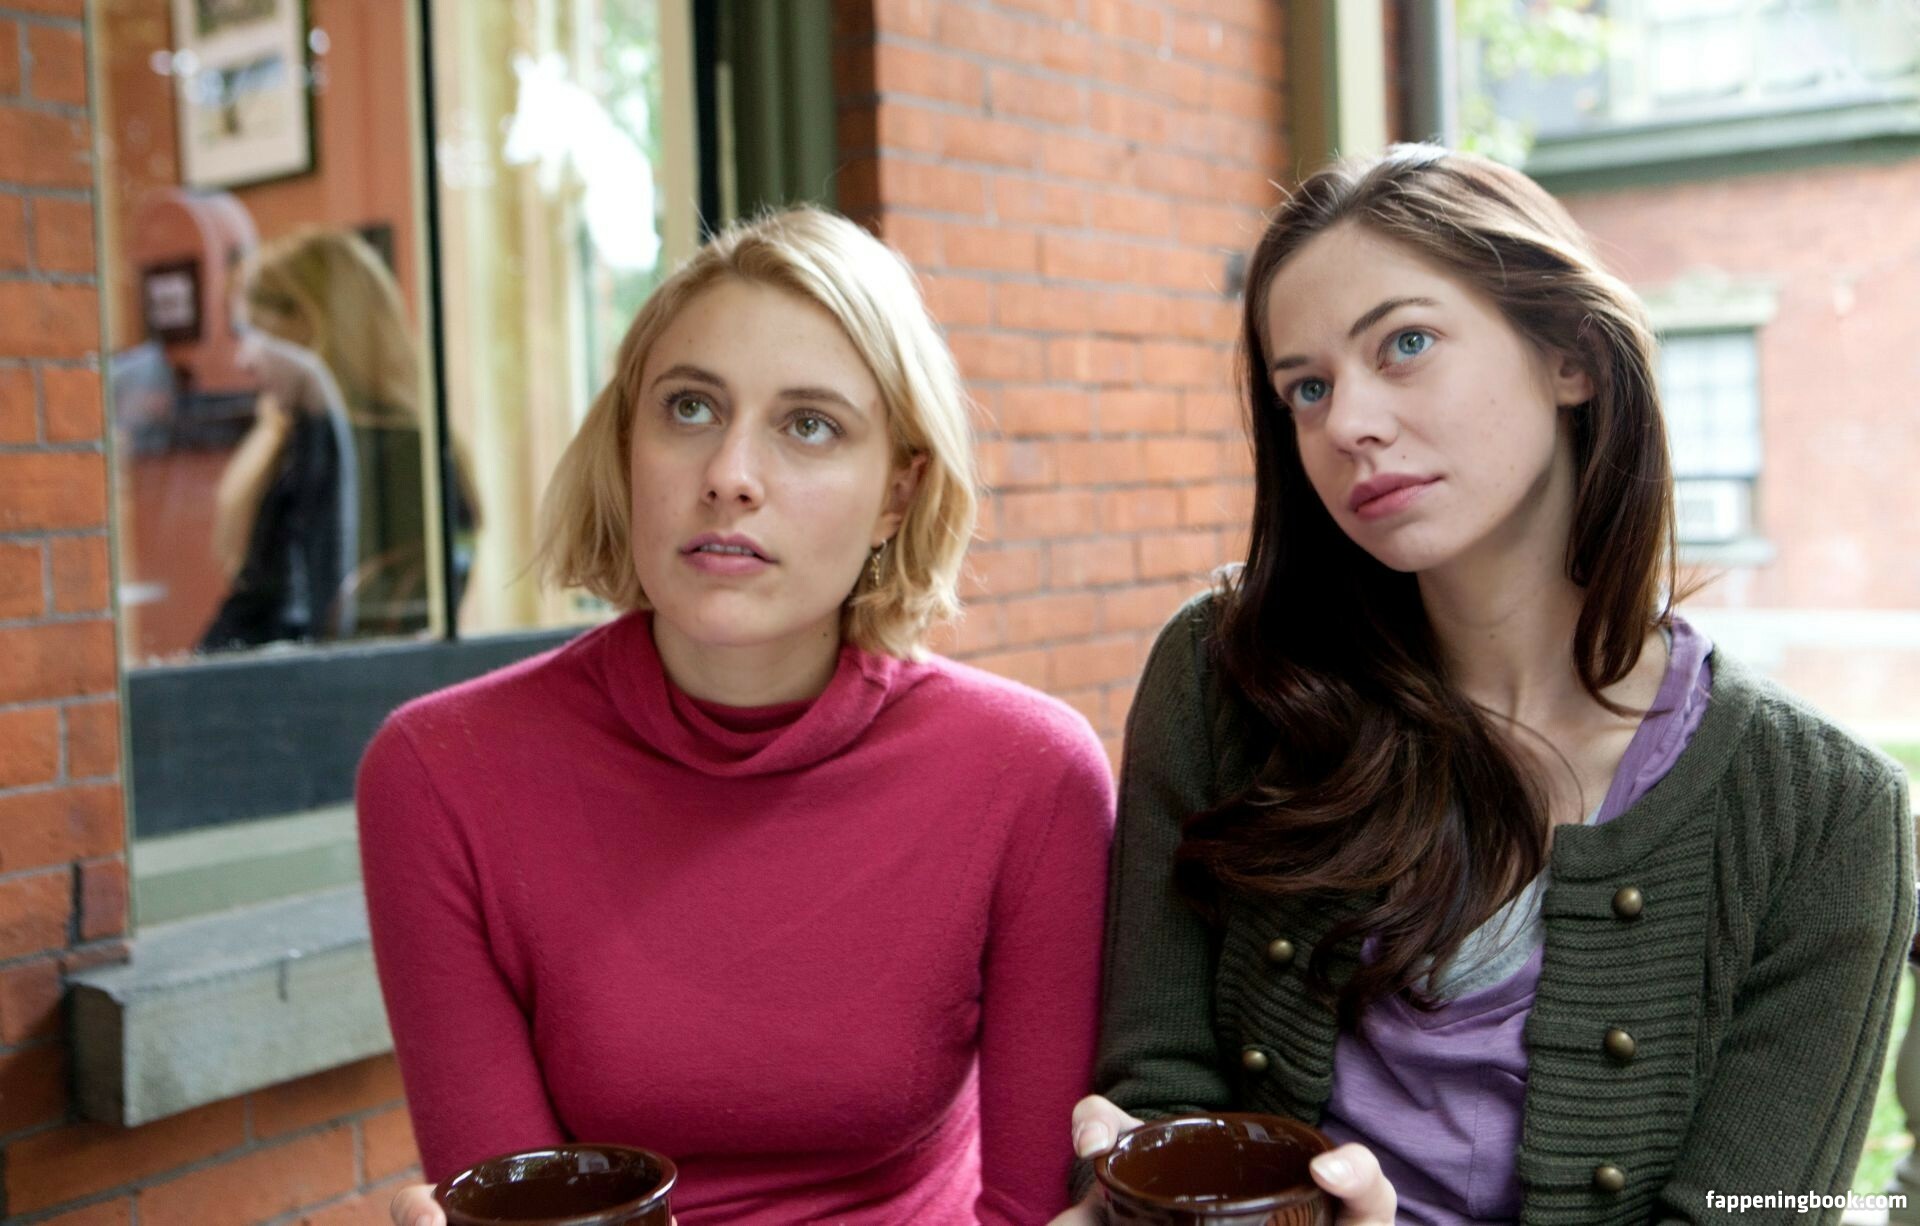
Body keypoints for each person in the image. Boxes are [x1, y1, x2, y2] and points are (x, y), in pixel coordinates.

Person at [1057, 145, 1914, 1226]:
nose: (1347, 423)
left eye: (1406, 343)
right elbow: (1162, 1082)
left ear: (1572, 357)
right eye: (1306, 387)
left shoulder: (1828, 814)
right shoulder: (1225, 677)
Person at [363, 207, 1115, 1226]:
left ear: (898, 494)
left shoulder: (1030, 776)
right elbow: (524, 1208)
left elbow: (1035, 1210)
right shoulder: (441, 771)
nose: (728, 475)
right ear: (626, 446)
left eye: (810, 425)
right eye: (689, 408)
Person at [202, 227, 477, 650]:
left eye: (252, 333)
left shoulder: (407, 457)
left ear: (309, 328)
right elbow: (255, 605)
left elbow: (374, 629)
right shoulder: (296, 447)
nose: (244, 359)